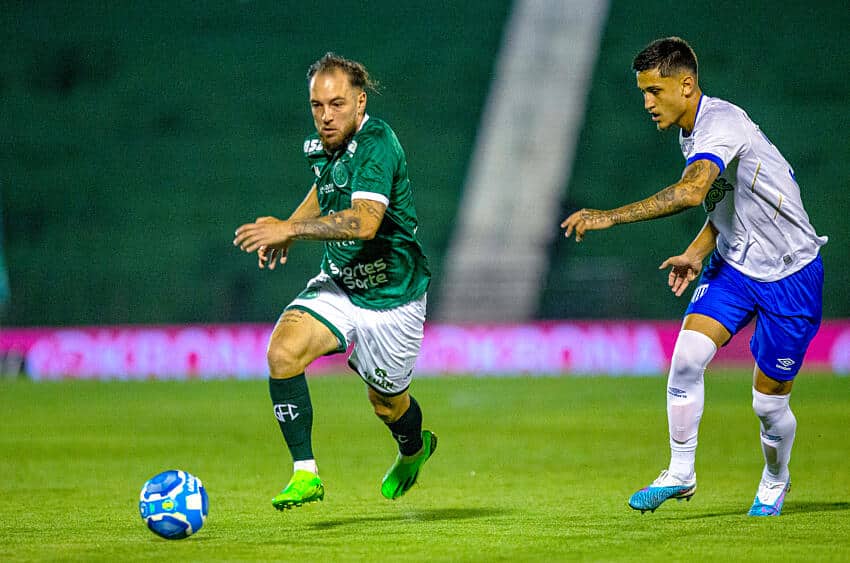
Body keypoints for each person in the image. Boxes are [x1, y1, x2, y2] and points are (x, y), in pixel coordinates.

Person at [561, 37, 826, 516]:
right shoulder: (691, 131)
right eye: (642, 93)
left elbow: (692, 191)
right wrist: (697, 251)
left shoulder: (720, 125)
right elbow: (723, 199)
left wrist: (610, 216)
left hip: (791, 274)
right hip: (734, 268)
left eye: (654, 91)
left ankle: (775, 477)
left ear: (686, 85)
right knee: (685, 359)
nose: (646, 103)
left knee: (768, 406)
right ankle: (681, 472)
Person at [233, 52, 436, 510]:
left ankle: (413, 448)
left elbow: (365, 221)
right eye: (317, 106)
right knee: (282, 353)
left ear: (361, 102)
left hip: (393, 296)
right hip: (342, 282)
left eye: (337, 104)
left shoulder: (378, 143)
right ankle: (305, 473)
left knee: (387, 404)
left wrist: (291, 230)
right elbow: (325, 190)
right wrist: (292, 222)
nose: (326, 116)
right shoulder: (324, 146)